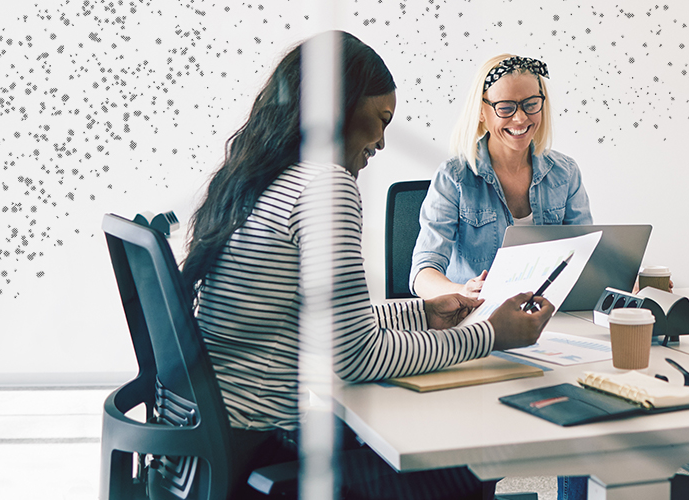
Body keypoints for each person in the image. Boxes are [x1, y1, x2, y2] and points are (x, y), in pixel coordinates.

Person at [182, 31, 556, 499]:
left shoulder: (261, 178)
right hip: (268, 454)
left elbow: (325, 319)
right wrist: (491, 334)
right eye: (380, 120)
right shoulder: (326, 188)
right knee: (468, 468)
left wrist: (427, 311)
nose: (380, 142)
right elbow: (358, 356)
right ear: (337, 107)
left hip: (217, 448)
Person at [410, 54, 593, 299]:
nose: (520, 118)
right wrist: (462, 291)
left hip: (547, 315)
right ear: (481, 111)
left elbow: (588, 256)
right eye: (505, 107)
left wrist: (628, 281)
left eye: (530, 104)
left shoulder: (565, 173)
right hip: (476, 321)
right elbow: (423, 273)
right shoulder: (453, 177)